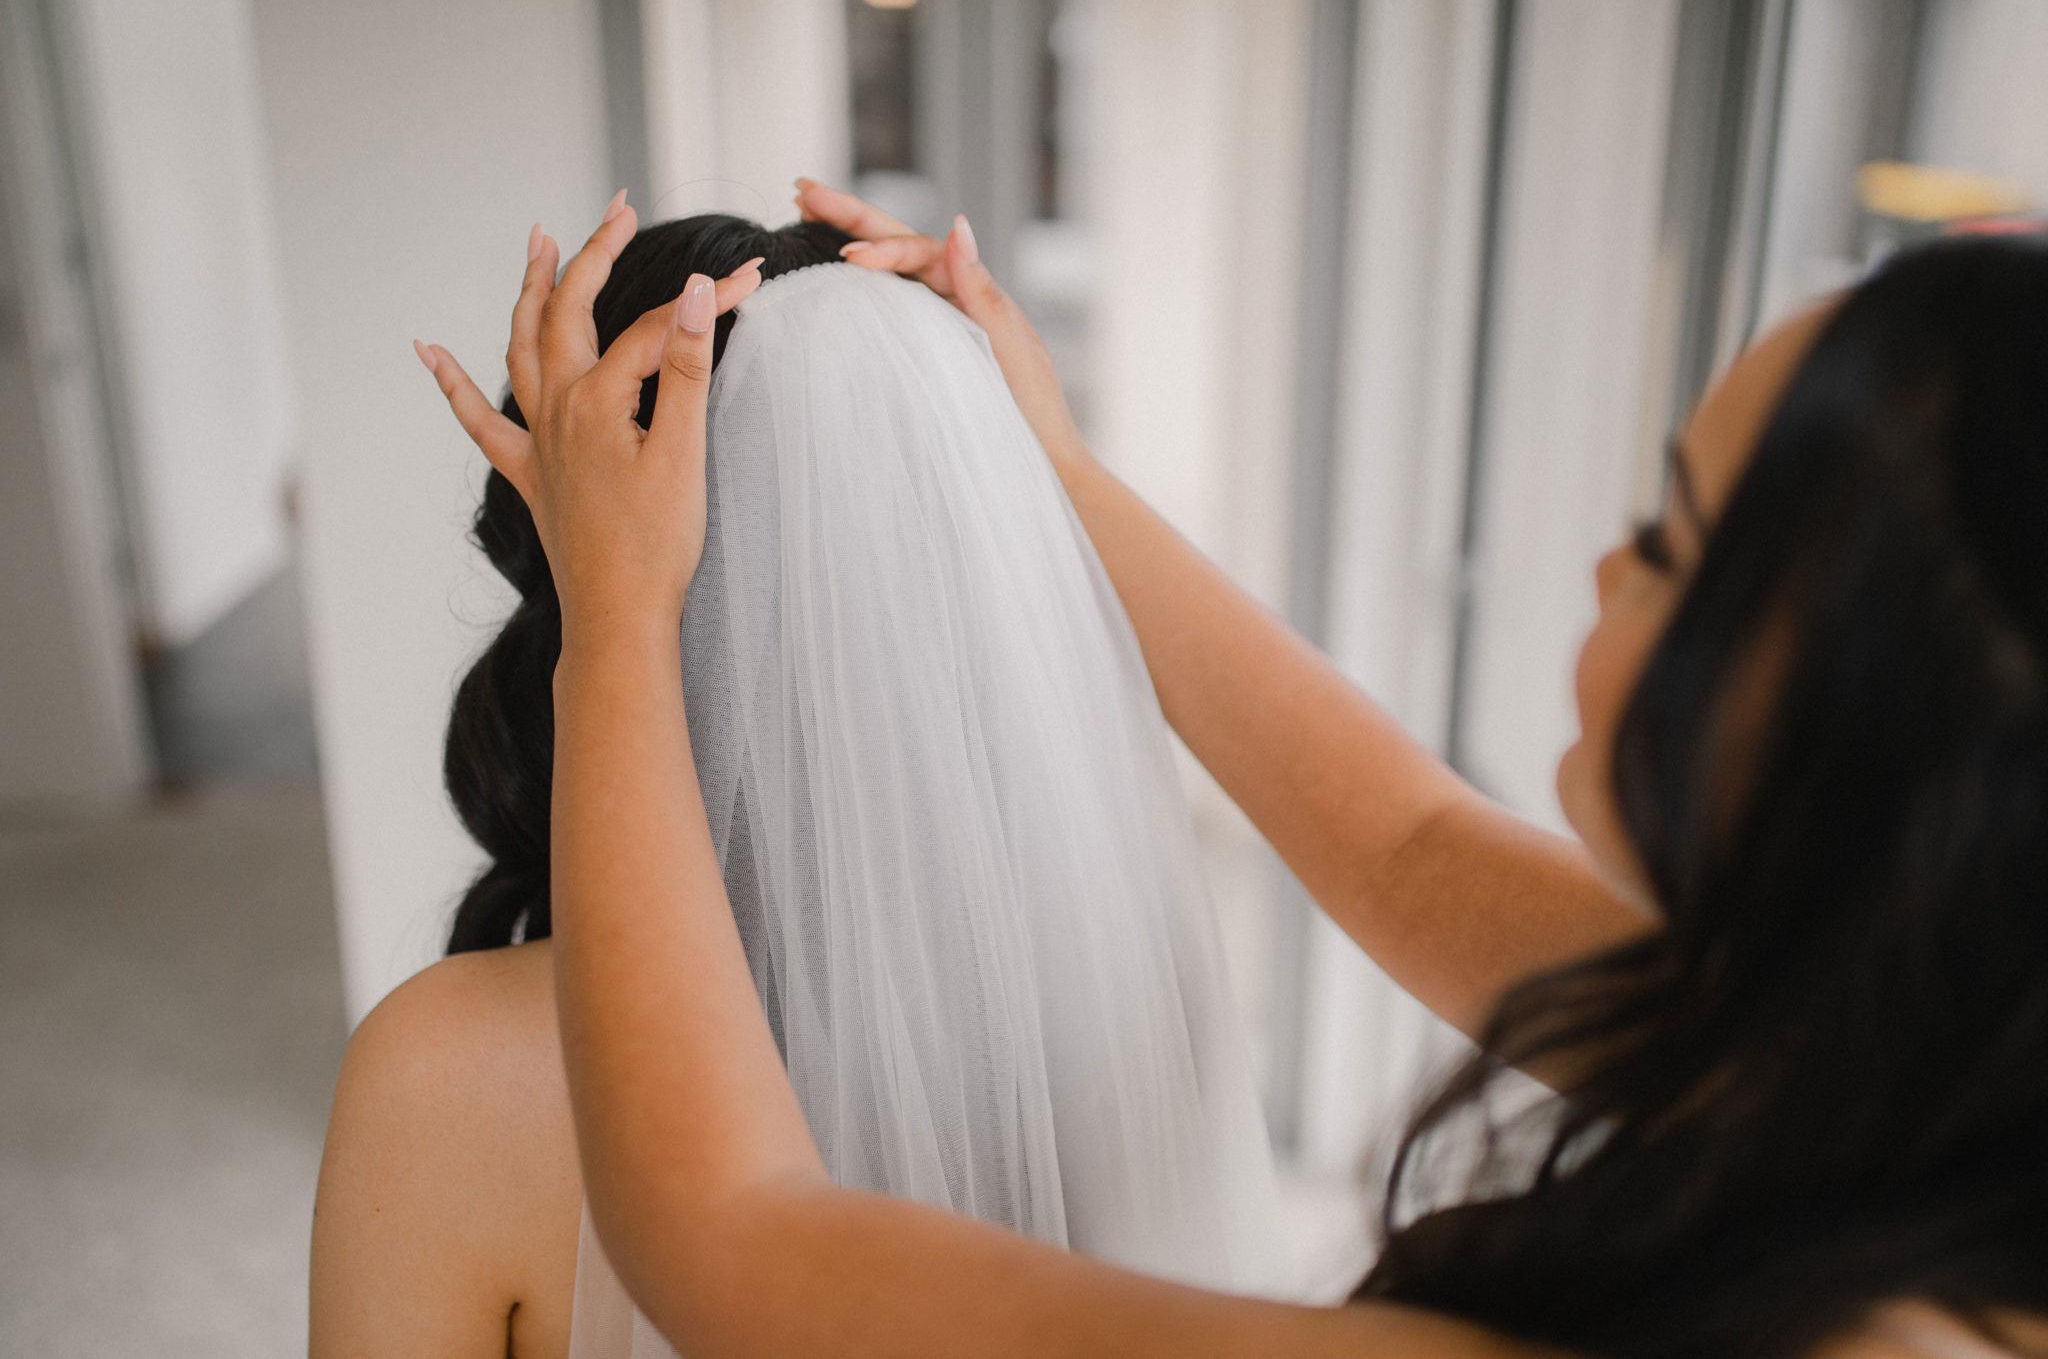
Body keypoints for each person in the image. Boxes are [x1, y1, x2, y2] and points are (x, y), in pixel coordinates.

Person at [406, 180, 2048, 1358]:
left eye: (1668, 537)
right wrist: (1048, 466)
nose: (1606, 566)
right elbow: (1402, 841)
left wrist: (615, 624)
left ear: (1847, 721)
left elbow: (734, 1247)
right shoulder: (1883, 1060)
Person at [310, 209, 1294, 1359]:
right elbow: (1409, 840)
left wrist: (615, 611)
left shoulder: (445, 1082)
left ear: (570, 569)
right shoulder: (1133, 1018)